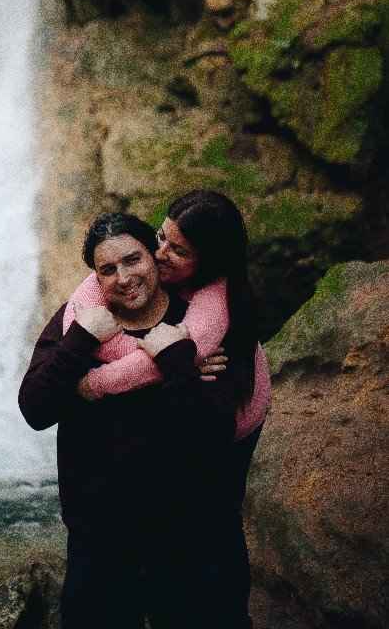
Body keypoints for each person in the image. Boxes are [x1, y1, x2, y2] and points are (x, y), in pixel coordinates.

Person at [18, 209, 243, 629]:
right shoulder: (79, 323)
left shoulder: (198, 329)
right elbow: (35, 409)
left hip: (188, 539)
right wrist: (79, 341)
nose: (123, 277)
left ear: (154, 258)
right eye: (107, 269)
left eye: (133, 260)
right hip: (100, 540)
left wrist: (178, 360)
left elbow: (216, 435)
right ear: (96, 278)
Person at [65, 190, 271, 628]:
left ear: (209, 261)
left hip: (231, 435)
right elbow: (38, 400)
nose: (160, 254)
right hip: (133, 502)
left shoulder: (220, 305)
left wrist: (103, 381)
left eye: (178, 250)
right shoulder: (123, 281)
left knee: (212, 536)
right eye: (161, 237)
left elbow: (209, 420)